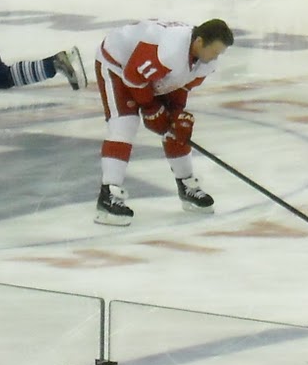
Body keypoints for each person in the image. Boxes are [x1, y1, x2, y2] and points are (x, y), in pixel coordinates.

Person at [92, 16, 235, 225]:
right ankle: (108, 195)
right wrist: (151, 109)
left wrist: (175, 114)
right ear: (199, 42)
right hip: (117, 64)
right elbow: (133, 76)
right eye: (214, 51)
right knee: (125, 124)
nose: (215, 57)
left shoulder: (205, 61)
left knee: (175, 125)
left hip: (148, 72)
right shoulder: (169, 50)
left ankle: (186, 185)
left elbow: (181, 86)